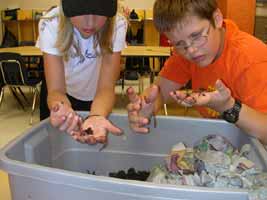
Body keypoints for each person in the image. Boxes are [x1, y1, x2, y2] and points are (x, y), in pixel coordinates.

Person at [126, 0, 267, 145]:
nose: (191, 51)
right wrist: (144, 109)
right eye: (179, 44)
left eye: (197, 36)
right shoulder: (188, 51)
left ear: (217, 19)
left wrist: (228, 107)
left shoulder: (251, 61)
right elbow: (159, 93)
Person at [37, 0, 128, 144]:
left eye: (100, 12)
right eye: (81, 12)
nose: (90, 23)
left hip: (96, 97)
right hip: (61, 93)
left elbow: (106, 87)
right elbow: (56, 89)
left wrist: (97, 115)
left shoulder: (117, 24)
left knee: (91, 143)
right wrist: (61, 108)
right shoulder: (51, 23)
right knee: (56, 145)